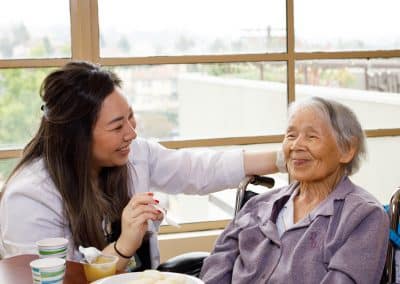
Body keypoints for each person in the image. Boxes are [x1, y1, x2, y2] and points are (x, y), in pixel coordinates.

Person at [0, 61, 282, 272]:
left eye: (130, 118)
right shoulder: (30, 198)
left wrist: (283, 157)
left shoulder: (133, 154)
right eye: (117, 126)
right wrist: (124, 245)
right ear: (78, 136)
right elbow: (58, 280)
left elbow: (200, 169)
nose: (131, 134)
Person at [200, 97, 389, 284]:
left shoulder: (364, 216)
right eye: (291, 135)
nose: (296, 145)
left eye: (311, 136)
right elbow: (217, 266)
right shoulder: (257, 206)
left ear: (347, 149)